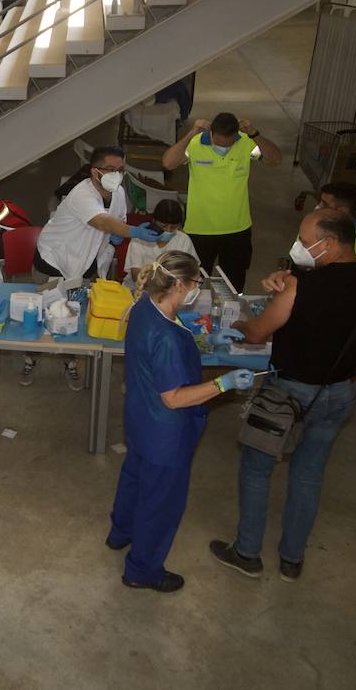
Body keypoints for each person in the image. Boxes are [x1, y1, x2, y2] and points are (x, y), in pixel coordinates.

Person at [210, 210, 356, 583]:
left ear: (332, 244)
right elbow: (336, 286)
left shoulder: (301, 288)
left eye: (306, 243)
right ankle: (291, 559)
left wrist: (241, 323)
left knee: (256, 469)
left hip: (288, 393)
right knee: (308, 474)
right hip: (340, 392)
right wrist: (293, 277)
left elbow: (258, 332)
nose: (299, 248)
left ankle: (247, 552)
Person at [108, 250, 254, 593]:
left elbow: (158, 354)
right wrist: (225, 383)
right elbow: (173, 397)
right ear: (177, 284)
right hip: (167, 434)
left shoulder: (145, 307)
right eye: (195, 283)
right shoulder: (168, 337)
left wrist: (202, 341)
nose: (197, 289)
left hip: (141, 421)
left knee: (134, 479)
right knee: (161, 502)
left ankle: (121, 533)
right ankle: (142, 570)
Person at [28, 145, 166, 386]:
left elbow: (117, 221)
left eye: (120, 169)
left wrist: (119, 235)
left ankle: (70, 361)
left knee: (76, 318)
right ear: (95, 171)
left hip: (87, 263)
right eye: (110, 169)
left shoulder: (119, 193)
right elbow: (103, 222)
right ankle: (31, 358)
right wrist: (133, 231)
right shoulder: (82, 194)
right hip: (54, 261)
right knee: (44, 317)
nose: (117, 174)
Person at [161, 112, 282, 292]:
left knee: (234, 285)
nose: (224, 146)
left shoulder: (245, 142)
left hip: (237, 229)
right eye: (219, 142)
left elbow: (275, 159)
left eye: (229, 143)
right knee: (193, 282)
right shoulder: (195, 144)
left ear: (236, 135)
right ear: (211, 132)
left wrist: (255, 133)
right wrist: (190, 134)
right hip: (200, 228)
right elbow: (168, 163)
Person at [123, 199, 199, 283]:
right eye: (163, 226)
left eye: (173, 227)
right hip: (140, 289)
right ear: (154, 221)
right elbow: (136, 275)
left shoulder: (183, 240)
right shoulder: (139, 238)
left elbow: (193, 271)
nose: (168, 230)